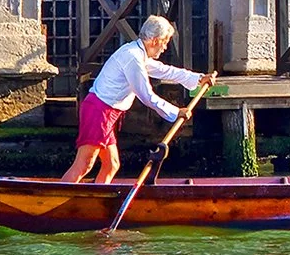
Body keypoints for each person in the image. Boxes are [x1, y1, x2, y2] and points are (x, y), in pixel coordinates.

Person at [61, 15, 216, 183]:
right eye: (165, 42)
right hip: (99, 111)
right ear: (155, 41)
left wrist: (199, 79)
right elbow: (146, 96)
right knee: (85, 164)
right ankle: (57, 199)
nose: (165, 47)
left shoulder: (138, 54)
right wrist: (176, 111)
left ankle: (99, 202)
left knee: (112, 164)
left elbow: (166, 71)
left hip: (105, 112)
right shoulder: (132, 57)